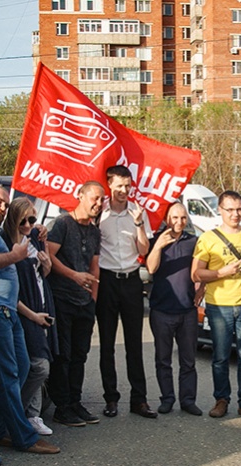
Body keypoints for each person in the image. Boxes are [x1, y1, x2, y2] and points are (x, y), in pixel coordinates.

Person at [0, 186, 60, 455]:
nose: (2, 207)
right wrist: (15, 256)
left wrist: (38, 233)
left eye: (5, 204)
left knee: (21, 369)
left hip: (8, 312)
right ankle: (24, 436)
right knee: (9, 375)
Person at [191, 190, 241, 421]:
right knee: (221, 357)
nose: (235, 214)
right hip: (218, 306)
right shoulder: (208, 238)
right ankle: (221, 399)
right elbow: (196, 274)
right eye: (230, 210)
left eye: (239, 209)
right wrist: (220, 272)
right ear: (220, 210)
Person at [96, 165, 156, 419]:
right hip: (107, 281)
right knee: (107, 344)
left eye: (127, 186)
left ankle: (139, 400)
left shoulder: (137, 212)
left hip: (131, 281)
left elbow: (144, 251)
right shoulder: (100, 213)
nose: (123, 191)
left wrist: (139, 224)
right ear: (109, 184)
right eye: (119, 185)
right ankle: (111, 398)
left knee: (135, 343)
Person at [47, 181, 104, 427]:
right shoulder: (61, 224)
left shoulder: (94, 231)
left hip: (84, 304)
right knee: (64, 356)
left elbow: (94, 266)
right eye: (95, 198)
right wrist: (73, 276)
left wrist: (93, 299)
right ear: (80, 196)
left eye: (102, 200)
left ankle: (75, 402)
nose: (98, 204)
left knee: (81, 355)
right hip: (62, 299)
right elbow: (47, 255)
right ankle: (62, 406)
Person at [1, 197, 59, 436]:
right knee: (38, 365)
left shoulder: (35, 237)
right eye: (22, 220)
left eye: (32, 219)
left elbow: (43, 273)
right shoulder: (5, 242)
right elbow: (7, 288)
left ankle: (32, 415)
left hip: (41, 302)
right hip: (23, 309)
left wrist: (46, 265)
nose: (27, 225)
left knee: (40, 362)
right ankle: (15, 413)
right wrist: (32, 316)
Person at [146, 203, 204, 416]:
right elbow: (151, 268)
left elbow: (202, 269)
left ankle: (188, 400)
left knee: (188, 359)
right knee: (163, 359)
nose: (179, 222)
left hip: (187, 309)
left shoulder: (193, 241)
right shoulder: (156, 238)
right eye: (174, 217)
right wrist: (159, 245)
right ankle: (167, 398)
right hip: (161, 309)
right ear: (166, 218)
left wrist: (202, 289)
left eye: (183, 217)